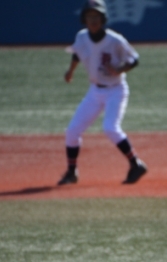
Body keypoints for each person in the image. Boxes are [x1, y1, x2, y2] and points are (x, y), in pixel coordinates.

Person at [57, 0, 147, 186]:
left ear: (103, 19)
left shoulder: (115, 40)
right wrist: (70, 71)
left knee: (110, 128)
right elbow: (77, 53)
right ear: (84, 19)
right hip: (95, 91)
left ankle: (136, 164)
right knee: (72, 131)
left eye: (96, 16)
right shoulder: (82, 37)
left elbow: (134, 59)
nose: (93, 20)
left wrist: (120, 69)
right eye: (89, 16)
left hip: (116, 90)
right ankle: (72, 172)